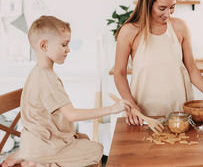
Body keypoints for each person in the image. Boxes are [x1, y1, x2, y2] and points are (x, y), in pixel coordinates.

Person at [1, 16, 131, 167]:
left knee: (83, 138)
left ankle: (30, 155)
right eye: (64, 44)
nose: (68, 49)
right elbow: (72, 115)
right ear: (44, 46)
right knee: (96, 150)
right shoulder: (47, 79)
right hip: (45, 146)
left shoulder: (37, 72)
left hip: (35, 141)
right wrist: (112, 109)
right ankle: (38, 161)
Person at [114, 0, 203, 126]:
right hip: (144, 117)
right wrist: (131, 105)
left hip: (179, 115)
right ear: (148, 4)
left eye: (172, 7)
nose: (168, 14)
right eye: (162, 8)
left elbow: (191, 68)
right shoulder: (129, 31)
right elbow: (119, 73)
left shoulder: (180, 27)